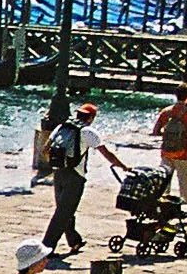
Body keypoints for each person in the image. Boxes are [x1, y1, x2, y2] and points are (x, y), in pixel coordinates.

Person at [42, 101, 125, 257]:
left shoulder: (62, 127)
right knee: (63, 213)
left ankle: (74, 241)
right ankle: (46, 248)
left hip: (58, 173)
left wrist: (56, 164)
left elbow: (46, 148)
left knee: (65, 210)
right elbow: (106, 153)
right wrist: (123, 166)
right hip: (75, 176)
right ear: (91, 117)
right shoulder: (88, 132)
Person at [152, 87, 187, 222]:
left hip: (166, 152)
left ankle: (161, 211)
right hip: (182, 153)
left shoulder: (166, 112)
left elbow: (155, 131)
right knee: (186, 183)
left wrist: (168, 136)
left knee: (164, 184)